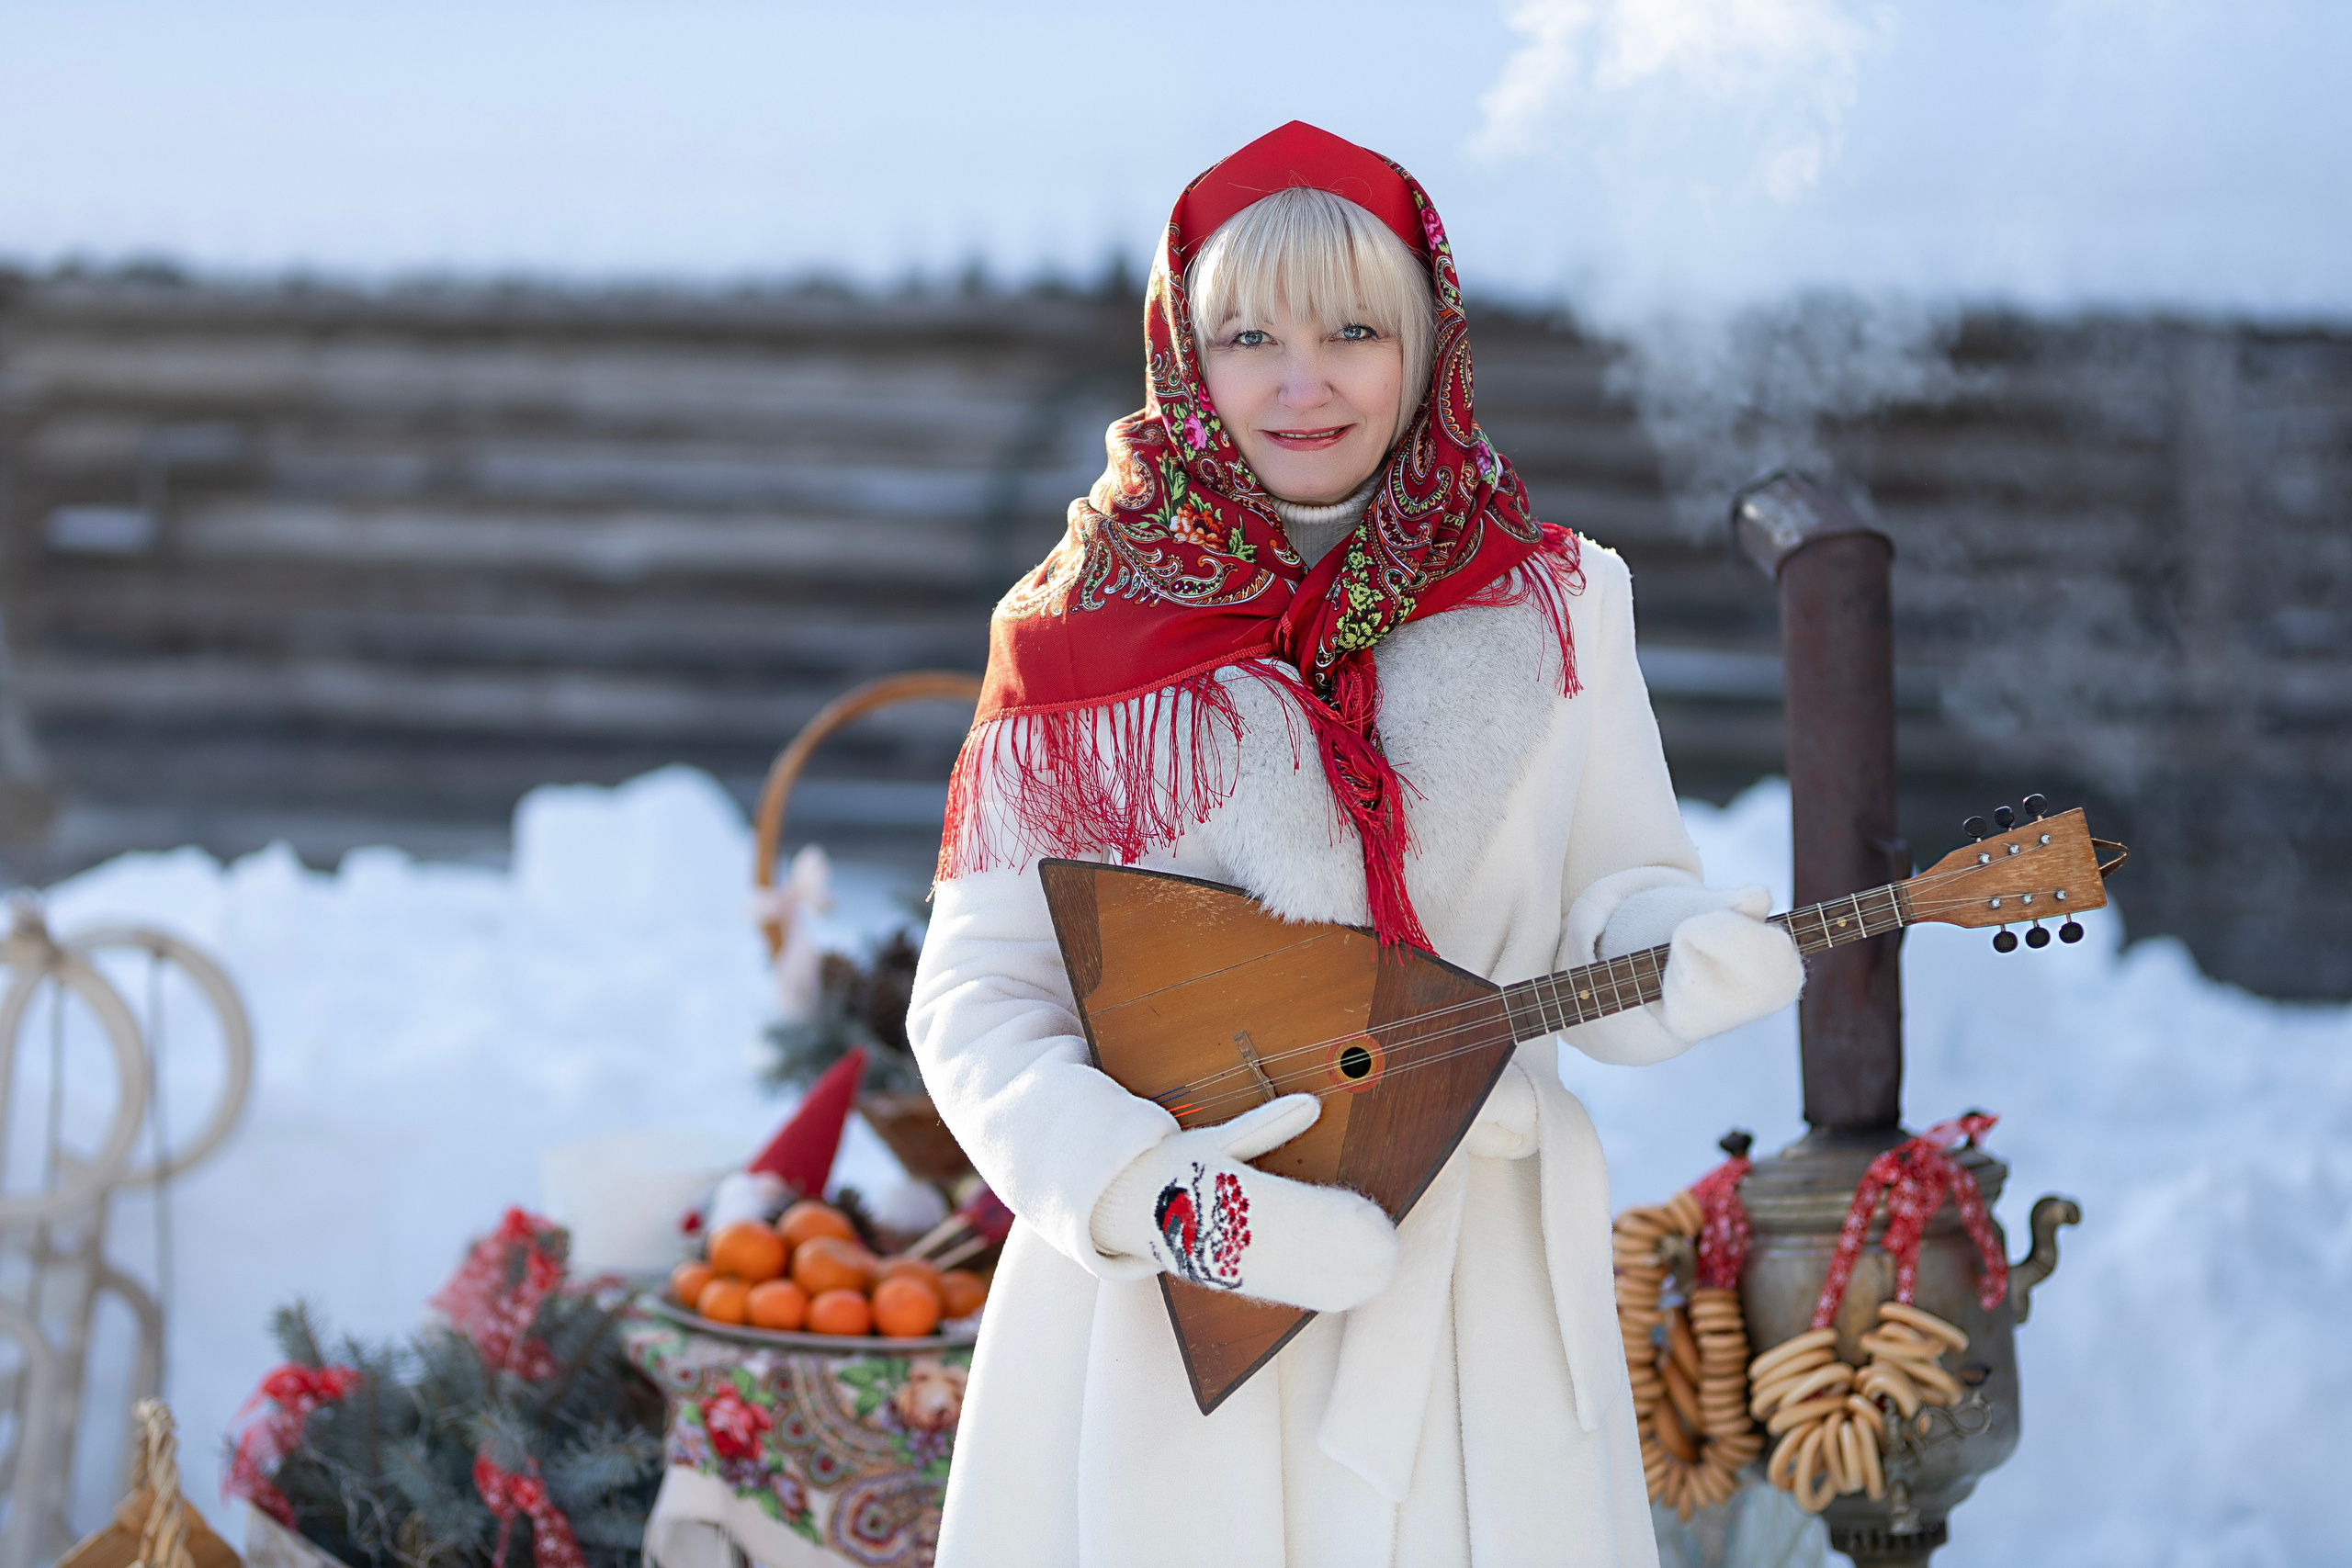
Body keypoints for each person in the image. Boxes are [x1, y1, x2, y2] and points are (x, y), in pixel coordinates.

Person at [908, 121, 1803, 1568]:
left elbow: (1617, 895)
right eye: (1250, 333)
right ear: (1187, 352)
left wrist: (1676, 959)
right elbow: (981, 1003)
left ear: (1428, 344)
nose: (1301, 379)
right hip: (1179, 1324)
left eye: (1352, 330)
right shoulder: (1076, 636)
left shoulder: (1558, 606)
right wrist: (1165, 1202)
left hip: (1477, 1306)